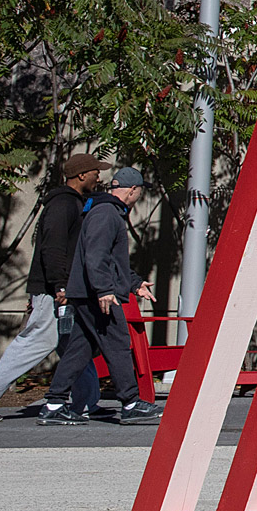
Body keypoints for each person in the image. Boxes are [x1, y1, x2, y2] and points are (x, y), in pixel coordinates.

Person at [0, 155, 105, 423]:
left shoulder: (74, 203)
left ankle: (86, 400)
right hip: (54, 289)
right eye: (95, 171)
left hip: (64, 287)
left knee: (75, 343)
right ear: (81, 175)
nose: (98, 176)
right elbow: (52, 249)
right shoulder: (63, 204)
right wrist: (60, 285)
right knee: (38, 341)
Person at [38, 166, 160, 426]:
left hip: (87, 293)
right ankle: (130, 403)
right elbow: (96, 256)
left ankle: (54, 404)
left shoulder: (104, 211)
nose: (138, 196)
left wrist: (135, 283)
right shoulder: (107, 214)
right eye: (139, 192)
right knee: (117, 344)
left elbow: (111, 260)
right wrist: (104, 290)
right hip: (97, 295)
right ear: (133, 190)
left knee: (79, 350)